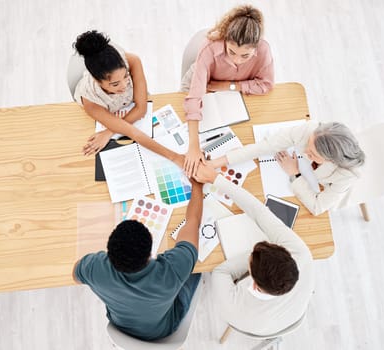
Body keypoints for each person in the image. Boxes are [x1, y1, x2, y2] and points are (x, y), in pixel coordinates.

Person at [73, 179, 204, 341]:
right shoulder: (172, 270)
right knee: (198, 270)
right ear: (150, 252)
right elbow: (193, 221)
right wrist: (197, 185)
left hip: (120, 326)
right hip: (164, 328)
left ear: (109, 252)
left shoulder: (95, 268)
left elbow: (76, 275)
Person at [193, 161, 314, 336]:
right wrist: (216, 179)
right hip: (291, 315)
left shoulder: (234, 307)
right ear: (287, 254)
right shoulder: (301, 254)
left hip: (257, 324)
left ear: (254, 283)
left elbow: (221, 272)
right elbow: (260, 212)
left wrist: (251, 257)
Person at [181, 4, 275, 177]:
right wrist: (193, 146)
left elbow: (266, 85)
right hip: (202, 85)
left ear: (256, 47)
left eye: (245, 56)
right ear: (225, 40)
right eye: (231, 52)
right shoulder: (210, 47)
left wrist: (229, 86)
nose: (237, 60)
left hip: (230, 93)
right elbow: (194, 98)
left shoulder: (263, 50)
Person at [208, 121, 365, 215]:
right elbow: (265, 146)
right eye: (308, 145)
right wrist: (217, 162)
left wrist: (294, 174)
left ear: (332, 160)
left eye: (312, 154)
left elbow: (317, 207)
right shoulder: (312, 130)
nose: (304, 152)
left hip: (324, 188)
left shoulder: (347, 174)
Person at [73, 30, 182, 166]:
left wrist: (109, 131)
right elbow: (133, 133)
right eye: (115, 84)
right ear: (96, 80)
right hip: (106, 110)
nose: (124, 85)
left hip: (128, 107)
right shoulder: (90, 100)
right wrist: (176, 158)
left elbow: (141, 109)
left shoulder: (132, 61)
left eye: (126, 76)